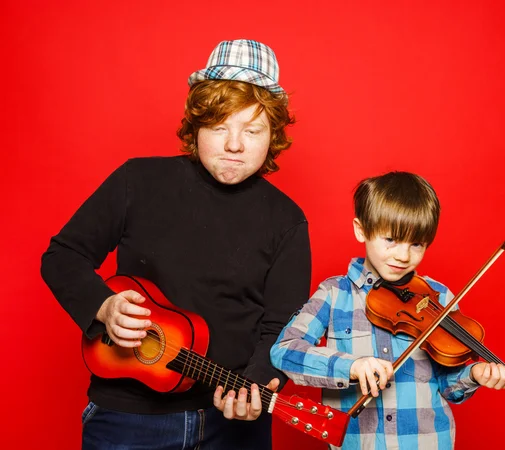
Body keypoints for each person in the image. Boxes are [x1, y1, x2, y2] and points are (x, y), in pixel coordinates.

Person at [41, 39, 311, 450]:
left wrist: (254, 389)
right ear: (196, 125)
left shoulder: (287, 220)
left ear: (273, 135)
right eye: (219, 127)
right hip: (126, 419)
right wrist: (102, 305)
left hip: (233, 425)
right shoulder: (138, 181)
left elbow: (283, 327)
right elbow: (63, 256)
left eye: (252, 130)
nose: (234, 145)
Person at [270, 171, 505, 450]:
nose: (403, 256)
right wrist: (351, 365)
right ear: (361, 229)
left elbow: (448, 385)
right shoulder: (334, 293)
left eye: (416, 244)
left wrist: (474, 376)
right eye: (391, 240)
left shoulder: (438, 298)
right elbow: (285, 351)